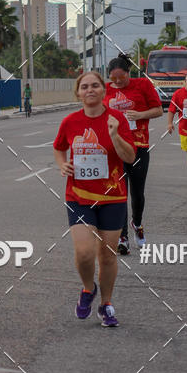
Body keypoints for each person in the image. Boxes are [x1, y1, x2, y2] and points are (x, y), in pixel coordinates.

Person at [53, 71, 136, 328]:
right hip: (79, 197)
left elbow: (130, 157)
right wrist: (62, 165)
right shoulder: (70, 122)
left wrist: (114, 135)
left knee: (108, 256)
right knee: (85, 252)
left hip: (113, 196)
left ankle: (106, 304)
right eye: (85, 86)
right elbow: (59, 147)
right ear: (78, 93)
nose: (90, 90)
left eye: (95, 86)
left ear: (104, 90)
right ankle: (88, 289)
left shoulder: (117, 119)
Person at [104, 55, 163, 254]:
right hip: (115, 148)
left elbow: (158, 110)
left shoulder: (143, 85)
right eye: (114, 79)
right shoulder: (106, 89)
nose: (118, 82)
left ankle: (137, 224)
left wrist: (140, 115)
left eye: (121, 78)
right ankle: (122, 238)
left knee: (137, 194)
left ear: (129, 72)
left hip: (138, 145)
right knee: (119, 193)